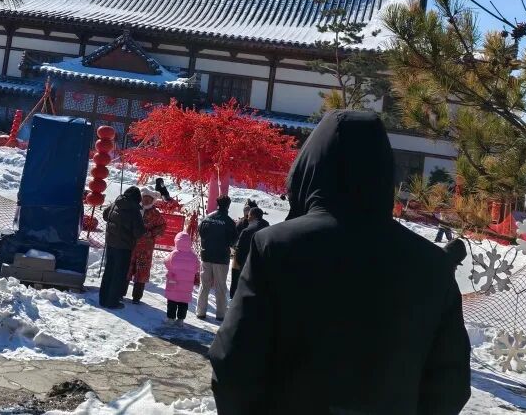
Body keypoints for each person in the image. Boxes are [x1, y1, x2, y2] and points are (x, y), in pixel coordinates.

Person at [209, 110, 470, 415]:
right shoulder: (432, 265)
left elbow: (234, 365)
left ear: (312, 168)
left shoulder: (277, 247)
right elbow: (451, 384)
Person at [99, 186, 145, 309]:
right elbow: (139, 232)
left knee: (109, 271)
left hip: (111, 243)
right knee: (119, 274)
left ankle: (103, 299)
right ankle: (112, 302)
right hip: (124, 247)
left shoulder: (116, 203)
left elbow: (105, 215)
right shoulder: (134, 210)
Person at [196, 195, 238, 321]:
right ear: (228, 205)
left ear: (217, 204)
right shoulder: (229, 222)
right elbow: (233, 240)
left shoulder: (207, 218)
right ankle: (220, 314)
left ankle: (200, 311)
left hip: (206, 255)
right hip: (221, 257)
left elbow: (200, 232)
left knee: (204, 285)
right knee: (220, 286)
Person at [127, 188, 166, 304]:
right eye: (145, 198)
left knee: (142, 272)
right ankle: (121, 292)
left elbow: (162, 227)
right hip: (131, 245)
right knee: (127, 269)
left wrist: (151, 233)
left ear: (153, 200)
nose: (146, 201)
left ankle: (137, 297)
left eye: (149, 199)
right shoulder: (135, 209)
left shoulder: (155, 213)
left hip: (145, 248)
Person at [231, 206, 269, 298]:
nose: (247, 218)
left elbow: (239, 251)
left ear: (252, 216)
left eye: (249, 215)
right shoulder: (268, 227)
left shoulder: (247, 231)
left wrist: (240, 264)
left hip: (247, 266)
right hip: (263, 266)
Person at [164, 231, 199, 324]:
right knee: (183, 302)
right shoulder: (193, 256)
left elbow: (167, 263)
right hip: (187, 285)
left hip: (173, 282)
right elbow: (197, 267)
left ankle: (170, 318)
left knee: (172, 300)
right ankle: (181, 319)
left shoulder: (173, 254)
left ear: (176, 241)